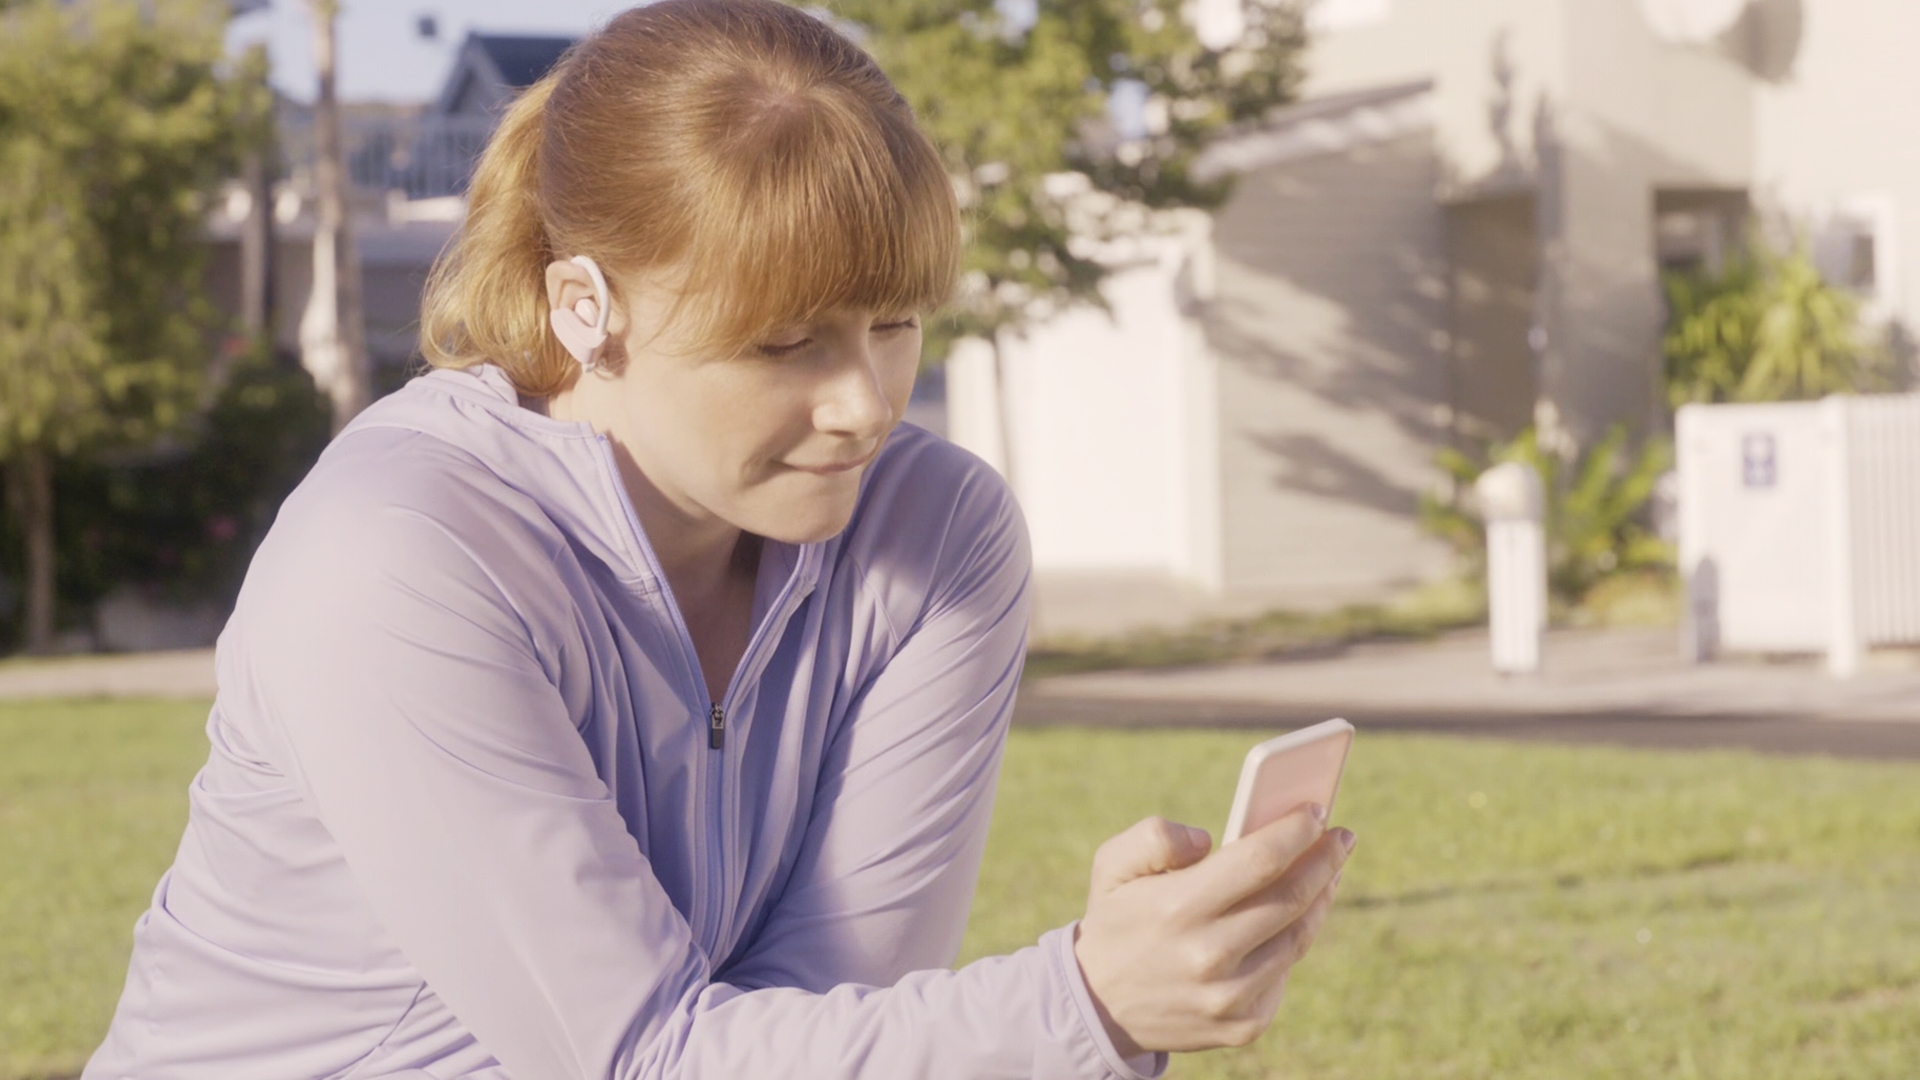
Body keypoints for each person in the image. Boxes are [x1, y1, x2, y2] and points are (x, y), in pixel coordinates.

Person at [84, 2, 1355, 1078]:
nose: (865, 406)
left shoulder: (937, 538)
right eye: (786, 342)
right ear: (586, 306)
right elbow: (644, 1056)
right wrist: (1082, 1008)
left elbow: (825, 1012)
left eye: (895, 323)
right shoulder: (396, 560)